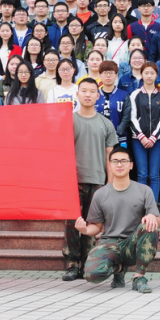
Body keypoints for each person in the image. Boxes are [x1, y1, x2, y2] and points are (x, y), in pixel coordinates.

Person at [75, 148, 160, 294]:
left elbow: (158, 221)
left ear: (131, 165)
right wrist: (84, 230)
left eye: (123, 161)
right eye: (115, 161)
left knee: (150, 226)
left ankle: (139, 278)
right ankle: (119, 269)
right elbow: (96, 226)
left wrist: (153, 217)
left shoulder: (144, 190)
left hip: (133, 244)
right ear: (109, 165)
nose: (119, 164)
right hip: (110, 243)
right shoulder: (100, 194)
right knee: (91, 274)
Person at [63, 79, 120, 282]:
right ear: (77, 94)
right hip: (73, 182)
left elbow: (109, 155)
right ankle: (71, 265)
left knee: (92, 224)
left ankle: (88, 262)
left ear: (98, 95)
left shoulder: (106, 123)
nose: (88, 94)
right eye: (84, 91)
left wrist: (109, 183)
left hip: (97, 181)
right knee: (72, 224)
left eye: (92, 91)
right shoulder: (68, 120)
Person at [127, 62, 160, 201]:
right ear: (142, 74)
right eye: (146, 73)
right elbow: (132, 117)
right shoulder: (135, 94)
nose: (149, 76)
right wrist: (142, 136)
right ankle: (141, 204)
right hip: (138, 140)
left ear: (156, 75)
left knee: (154, 174)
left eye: (152, 73)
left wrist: (154, 137)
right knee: (142, 173)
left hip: (157, 140)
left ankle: (153, 205)